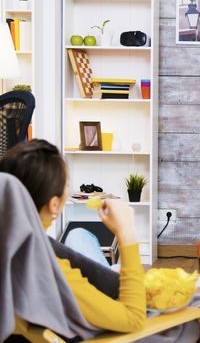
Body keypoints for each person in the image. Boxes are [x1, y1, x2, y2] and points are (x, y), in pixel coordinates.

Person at [0, 139, 146, 333]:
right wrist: (126, 234)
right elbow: (133, 320)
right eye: (67, 185)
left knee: (78, 234)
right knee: (125, 270)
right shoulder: (50, 271)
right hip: (114, 311)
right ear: (54, 204)